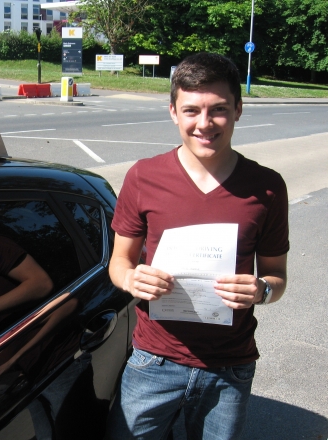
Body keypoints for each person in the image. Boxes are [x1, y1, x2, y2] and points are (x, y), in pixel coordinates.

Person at [105, 52, 289, 439]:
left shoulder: (268, 187)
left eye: (218, 109)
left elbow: (278, 277)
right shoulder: (143, 177)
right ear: (173, 111)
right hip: (153, 361)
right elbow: (119, 262)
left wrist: (261, 289)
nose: (204, 124)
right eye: (191, 110)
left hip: (230, 368)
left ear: (238, 109)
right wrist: (132, 280)